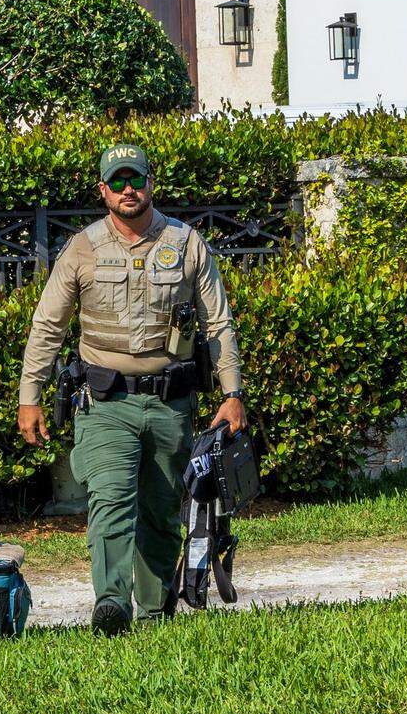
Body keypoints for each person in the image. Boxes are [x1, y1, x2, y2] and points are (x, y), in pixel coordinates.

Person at [17, 144, 248, 636]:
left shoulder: (187, 244)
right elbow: (47, 326)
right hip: (106, 403)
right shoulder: (82, 247)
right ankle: (111, 604)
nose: (127, 190)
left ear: (150, 183)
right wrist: (30, 395)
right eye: (117, 182)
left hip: (171, 403)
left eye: (135, 180)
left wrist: (232, 394)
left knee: (162, 509)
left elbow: (219, 324)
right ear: (102, 189)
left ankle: (157, 608)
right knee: (111, 501)